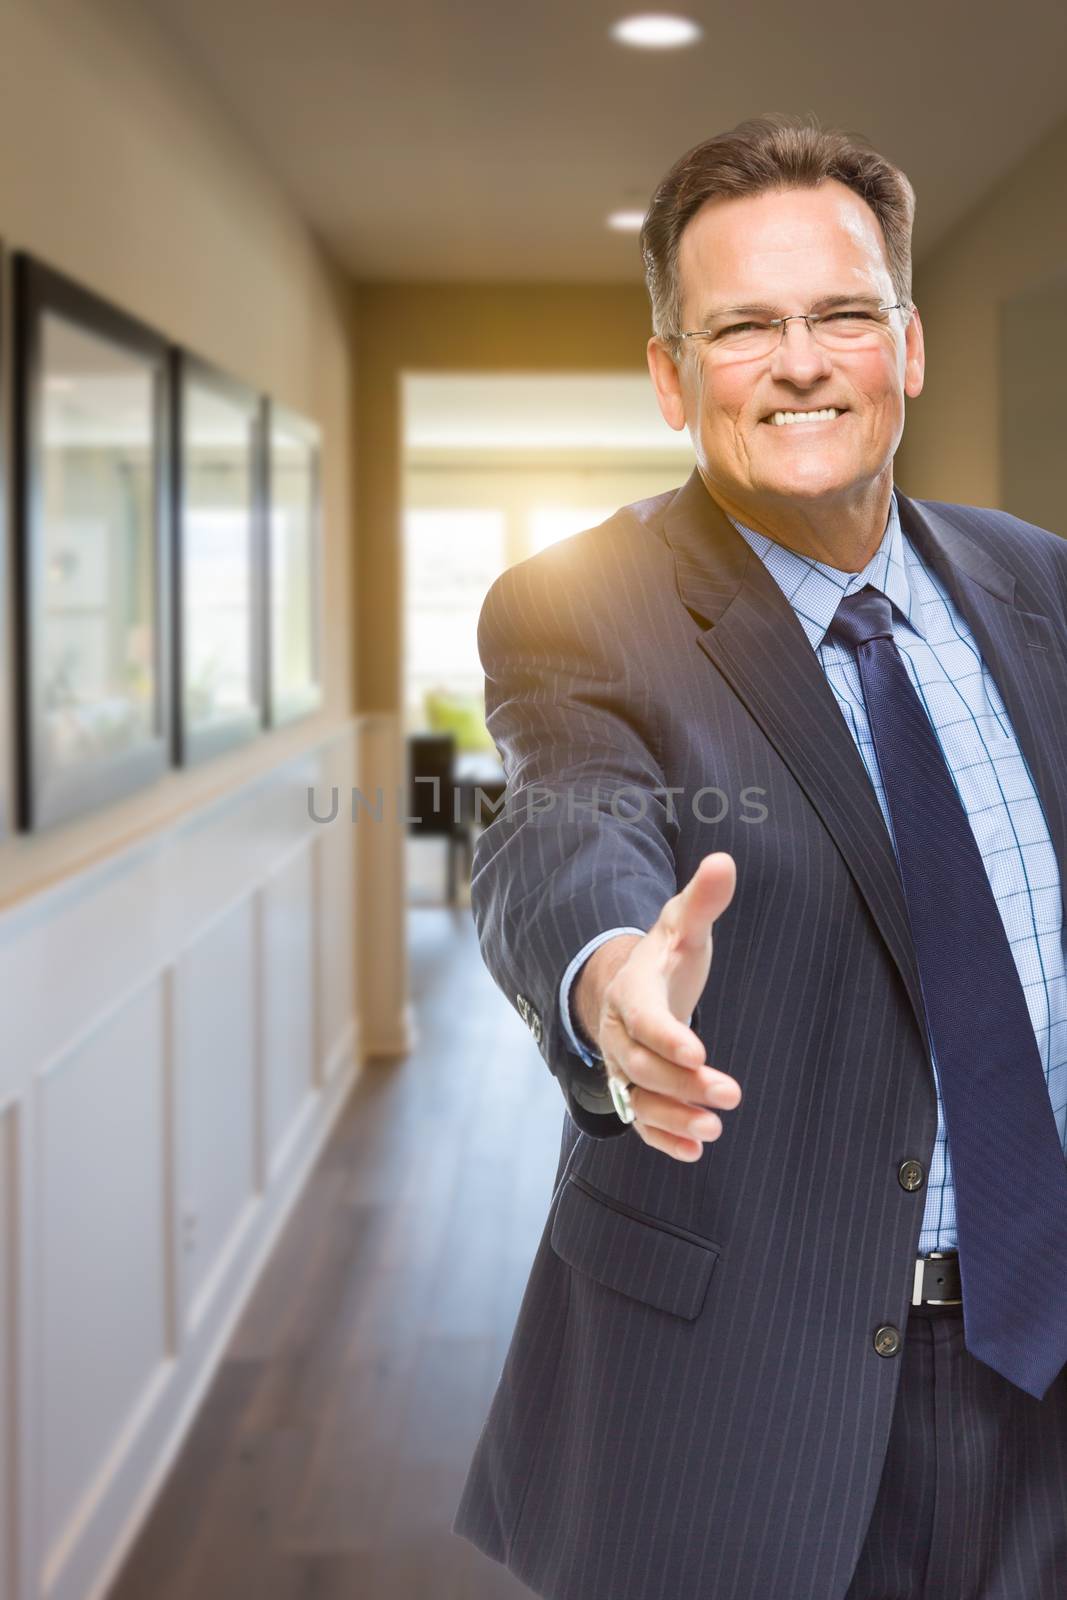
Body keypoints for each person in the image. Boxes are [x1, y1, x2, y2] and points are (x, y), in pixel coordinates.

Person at [451, 114, 1067, 1600]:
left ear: (906, 345)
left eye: (843, 312)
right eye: (742, 327)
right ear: (673, 376)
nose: (801, 362)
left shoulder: (1040, 583)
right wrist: (610, 985)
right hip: (762, 1396)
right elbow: (560, 819)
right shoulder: (579, 606)